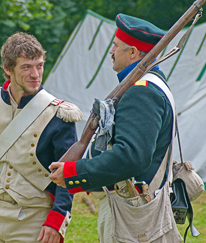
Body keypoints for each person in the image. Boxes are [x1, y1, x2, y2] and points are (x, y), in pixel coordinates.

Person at [49, 14, 183, 242]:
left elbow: (131, 157)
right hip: (135, 211)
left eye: (116, 46)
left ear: (132, 52)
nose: (111, 51)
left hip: (135, 217)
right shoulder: (147, 85)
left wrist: (74, 172)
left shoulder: (143, 91)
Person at [0, 32, 83, 243]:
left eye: (39, 65)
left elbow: (66, 174)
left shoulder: (59, 114)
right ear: (7, 69)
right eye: (26, 67)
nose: (35, 74)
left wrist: (56, 219)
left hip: (34, 217)